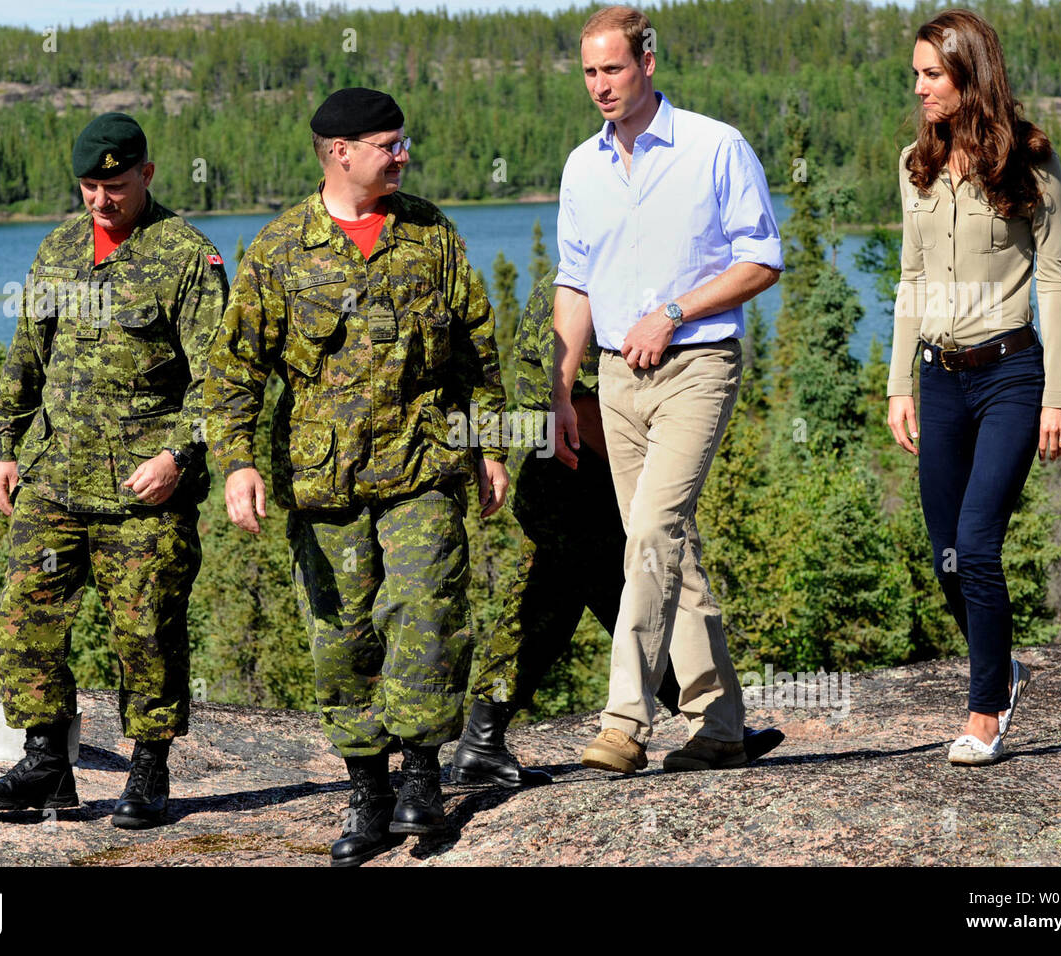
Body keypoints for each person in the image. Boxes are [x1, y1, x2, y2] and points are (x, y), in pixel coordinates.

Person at [203, 88, 510, 866]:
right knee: (340, 642)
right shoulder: (280, 250)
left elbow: (476, 347)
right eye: (389, 144)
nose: (403, 155)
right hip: (323, 482)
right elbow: (235, 370)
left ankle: (421, 780)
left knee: (426, 614)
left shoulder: (431, 233)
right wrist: (237, 463)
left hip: (421, 466)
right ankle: (366, 789)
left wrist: (491, 445)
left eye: (404, 142)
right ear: (341, 152)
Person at [0, 112, 229, 828]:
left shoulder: (186, 258)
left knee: (145, 632)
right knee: (25, 622)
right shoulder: (57, 252)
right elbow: (26, 355)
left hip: (142, 491)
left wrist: (179, 456)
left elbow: (218, 380)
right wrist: (3, 443)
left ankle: (148, 771)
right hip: (53, 478)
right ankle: (48, 765)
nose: (100, 201)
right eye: (89, 186)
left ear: (146, 173)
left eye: (114, 186)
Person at [551, 6, 784, 775]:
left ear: (648, 63)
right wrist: (561, 387)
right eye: (589, 72)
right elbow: (575, 280)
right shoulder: (582, 166)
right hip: (615, 378)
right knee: (667, 549)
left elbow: (762, 259)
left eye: (612, 69)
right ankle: (720, 725)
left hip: (697, 364)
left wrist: (675, 310)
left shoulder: (715, 147)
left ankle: (624, 721)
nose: (600, 86)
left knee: (650, 534)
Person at [452, 271, 782, 787]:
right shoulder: (578, 290)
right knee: (555, 605)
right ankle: (481, 741)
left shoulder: (613, 279)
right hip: (568, 475)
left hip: (592, 475)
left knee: (624, 594)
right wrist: (659, 465)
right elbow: (584, 409)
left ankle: (712, 726)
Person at [886, 9, 1061, 766]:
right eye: (918, 75)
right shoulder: (914, 164)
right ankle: (1007, 670)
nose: (921, 88)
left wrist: (1058, 394)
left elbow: (1055, 282)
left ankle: (987, 708)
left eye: (933, 74)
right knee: (946, 558)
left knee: (979, 546)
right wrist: (900, 381)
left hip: (1010, 375)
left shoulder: (1030, 160)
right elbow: (910, 278)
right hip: (938, 379)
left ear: (970, 74)